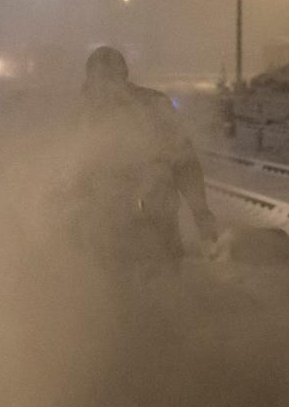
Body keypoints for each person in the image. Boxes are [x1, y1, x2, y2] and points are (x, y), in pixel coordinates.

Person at [75, 46, 217, 271]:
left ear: (124, 76)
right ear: (90, 80)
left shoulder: (154, 106)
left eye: (112, 77)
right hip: (102, 228)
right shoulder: (78, 113)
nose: (108, 86)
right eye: (102, 78)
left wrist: (200, 212)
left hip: (154, 222)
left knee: (161, 285)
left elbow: (184, 162)